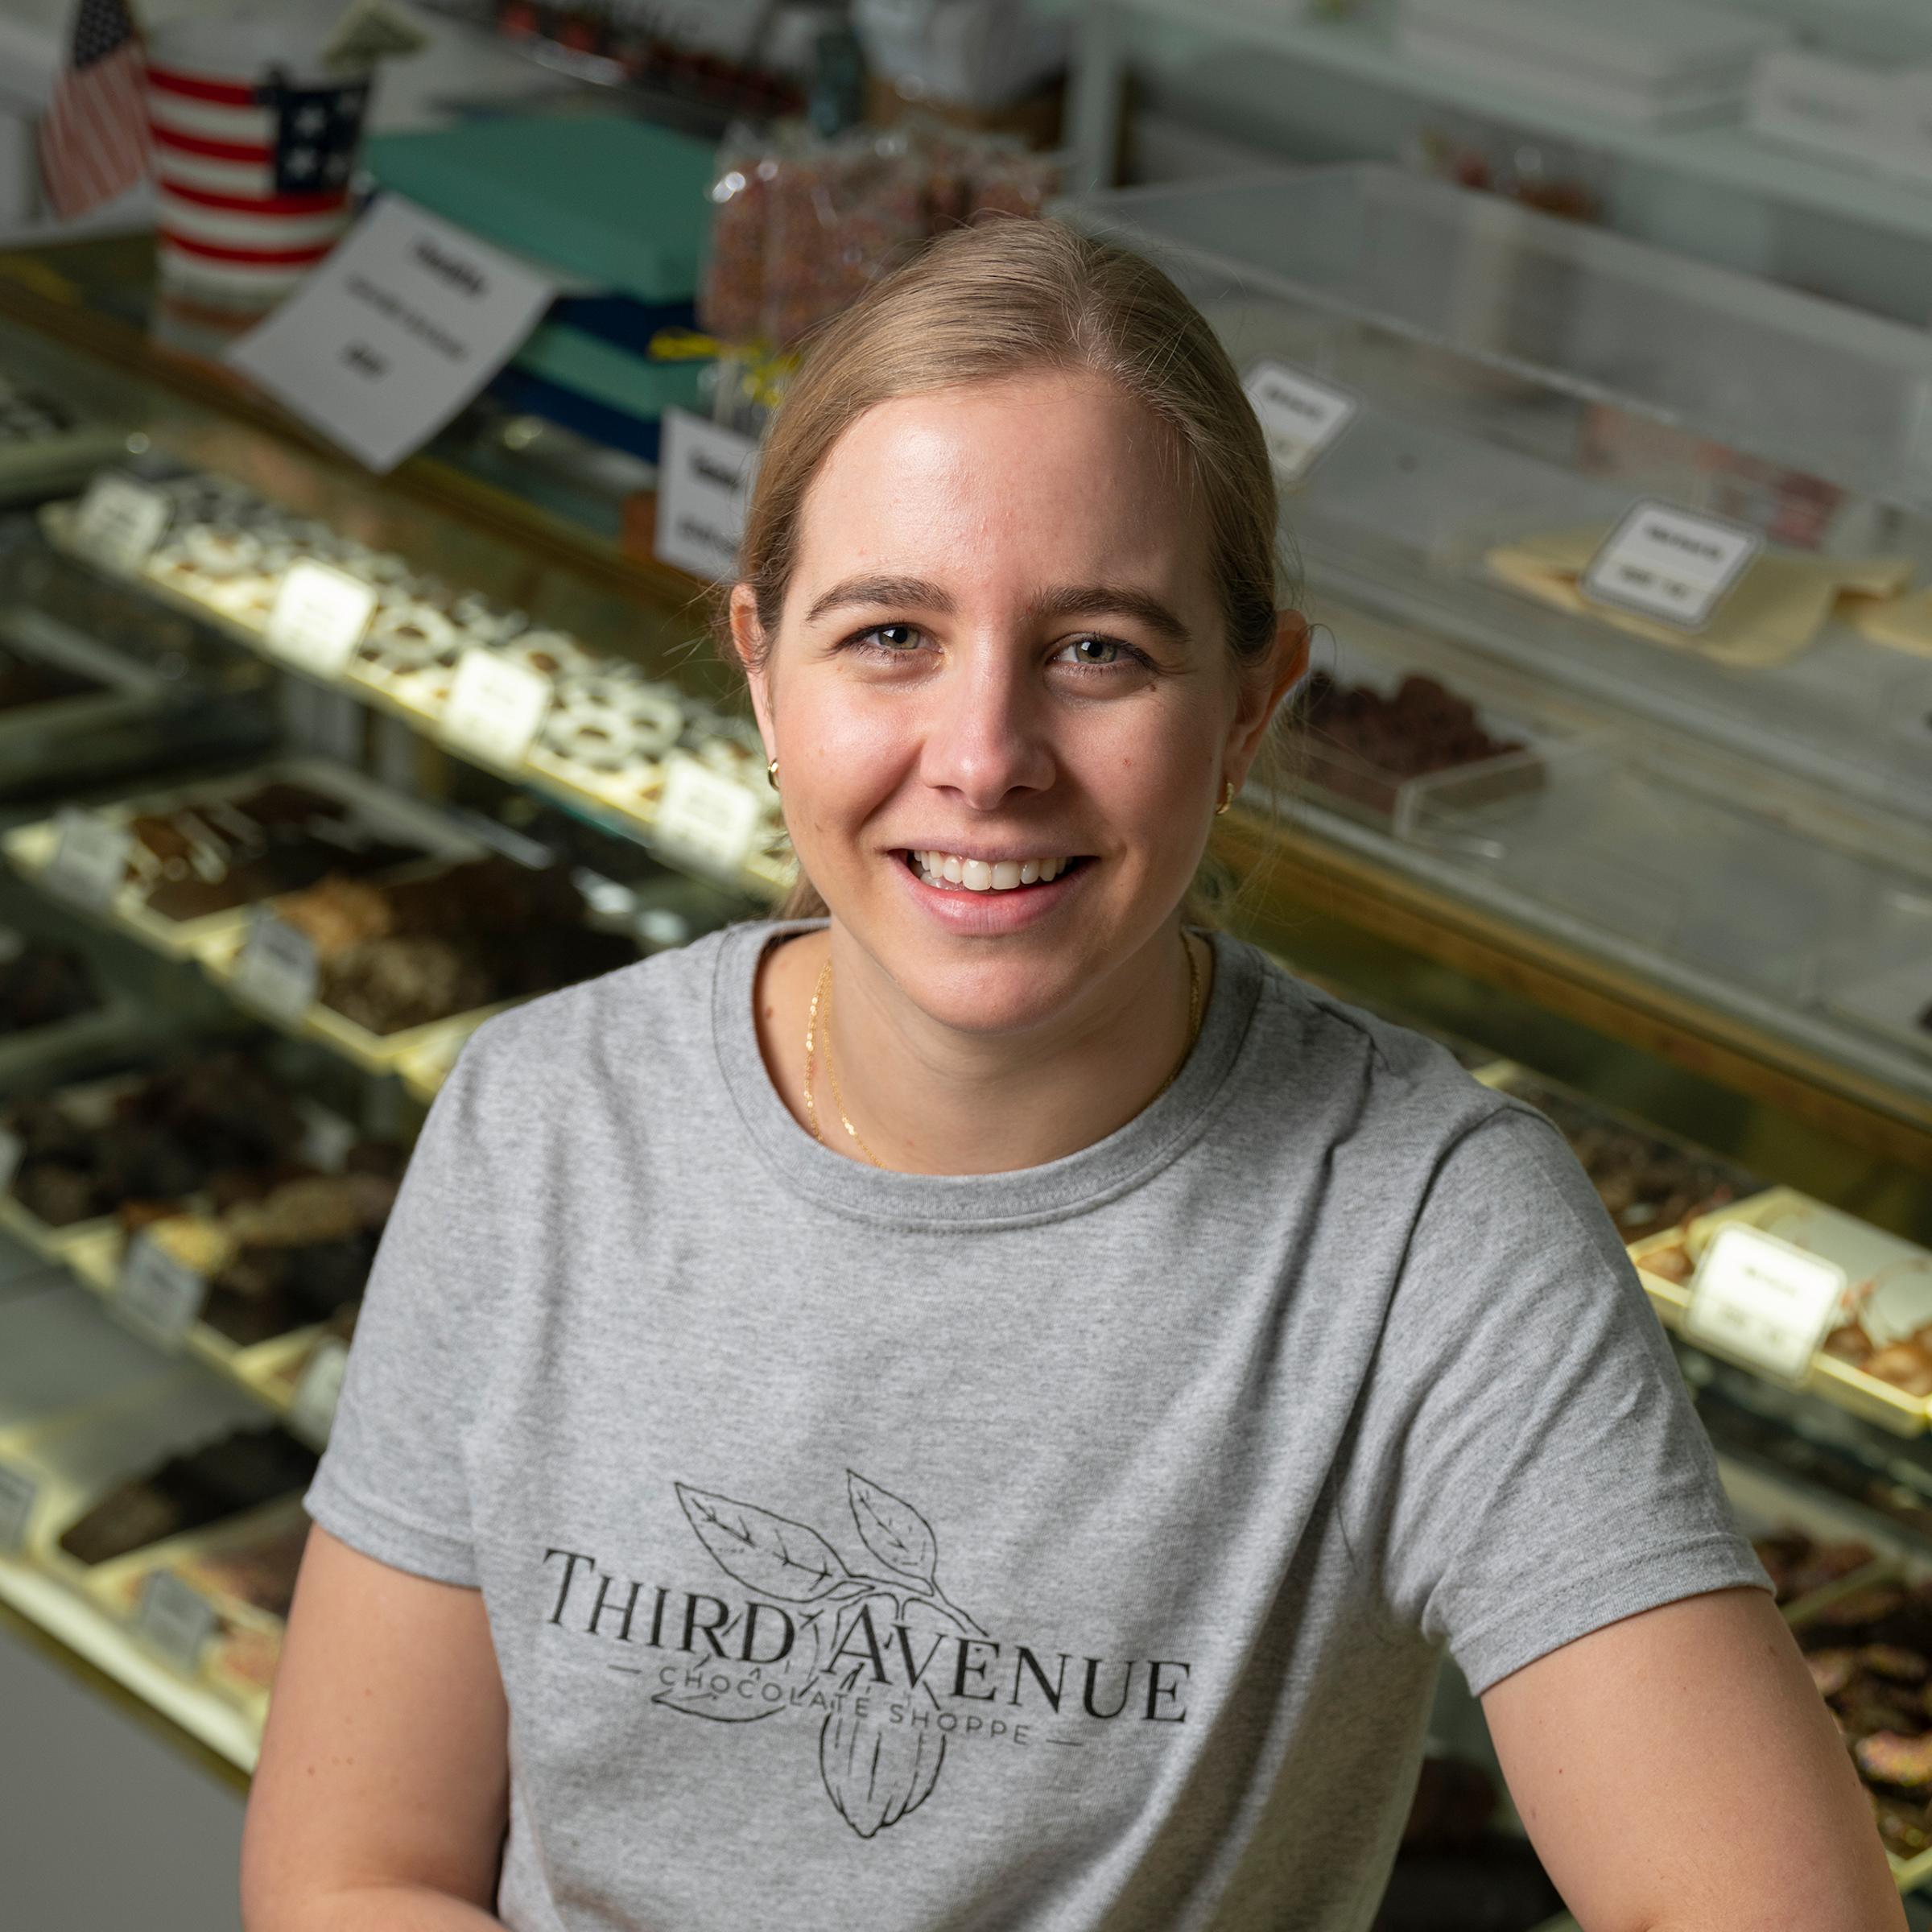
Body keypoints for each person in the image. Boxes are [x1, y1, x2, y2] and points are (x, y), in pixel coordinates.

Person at [241, 219, 1899, 1932]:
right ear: (762, 672)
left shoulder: (1424, 1235)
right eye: (890, 633)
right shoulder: (544, 1122)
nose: (985, 759)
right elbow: (351, 1873)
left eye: (1099, 648)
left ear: (1250, 706)